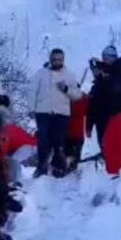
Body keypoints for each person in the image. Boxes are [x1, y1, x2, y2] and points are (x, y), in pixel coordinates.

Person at [28, 49, 84, 177]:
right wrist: (31, 108)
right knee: (43, 141)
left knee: (59, 143)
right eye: (54, 59)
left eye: (59, 59)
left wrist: (66, 89)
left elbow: (78, 95)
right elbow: (32, 90)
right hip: (43, 112)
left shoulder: (69, 75)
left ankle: (58, 167)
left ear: (63, 60)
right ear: (50, 59)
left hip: (62, 113)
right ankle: (41, 167)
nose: (57, 61)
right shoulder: (41, 74)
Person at [88, 46, 121, 177]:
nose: (105, 61)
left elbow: (118, 85)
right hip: (114, 113)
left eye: (107, 58)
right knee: (108, 143)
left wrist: (104, 76)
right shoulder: (111, 72)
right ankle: (113, 174)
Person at [65, 91, 88, 170]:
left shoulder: (82, 97)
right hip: (70, 134)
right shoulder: (83, 97)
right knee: (69, 157)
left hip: (75, 134)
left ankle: (72, 172)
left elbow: (81, 112)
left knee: (74, 159)